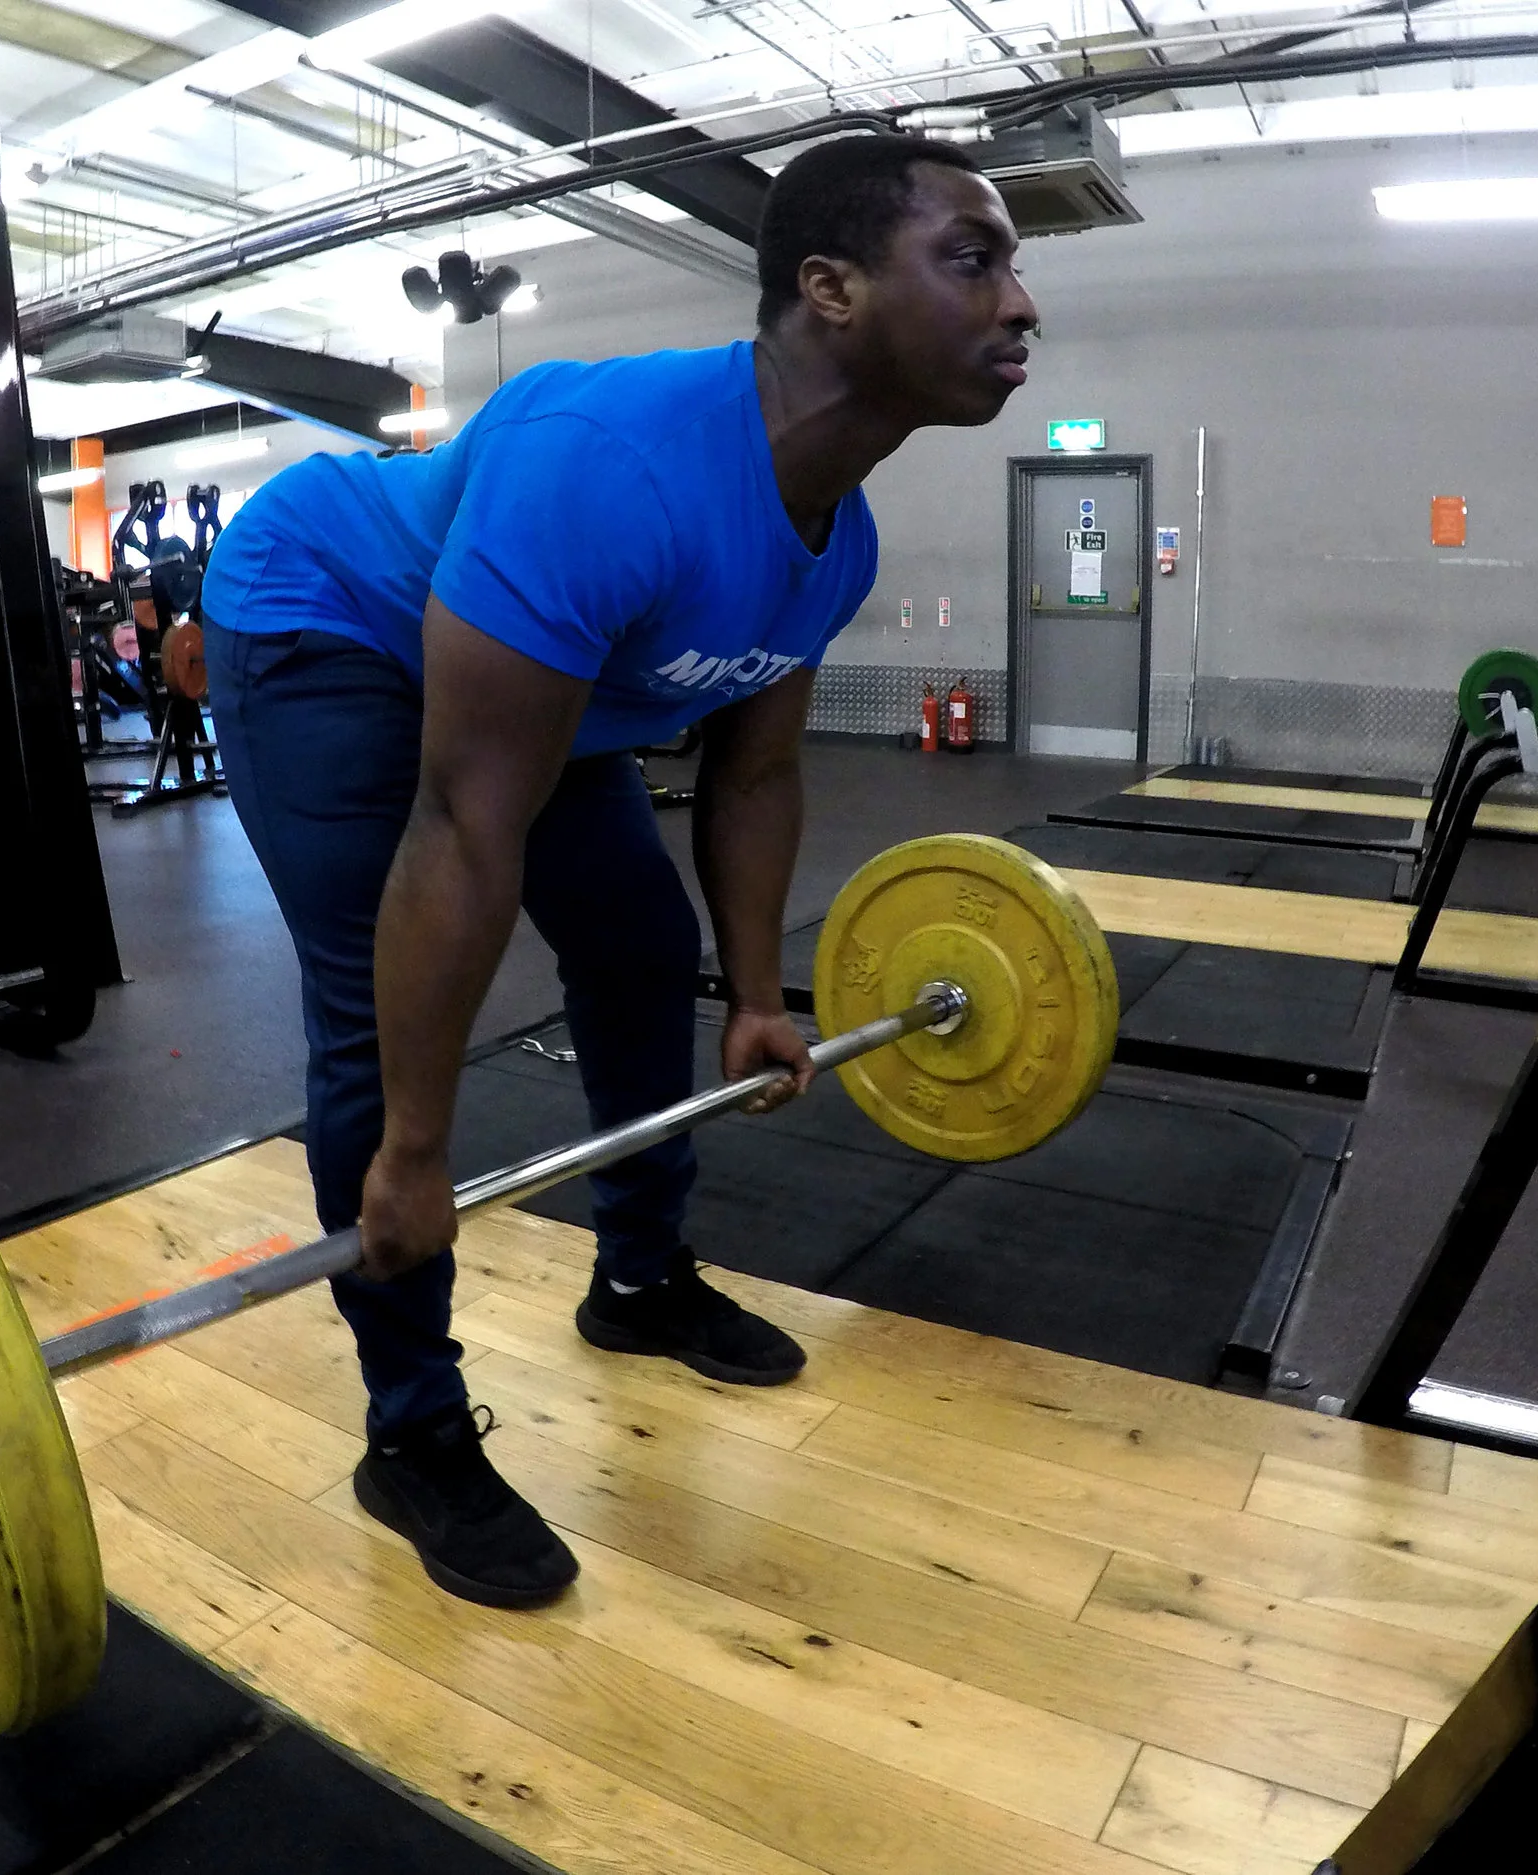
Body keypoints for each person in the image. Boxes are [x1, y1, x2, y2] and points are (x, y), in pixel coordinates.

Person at [199, 134, 1037, 1608]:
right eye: (973, 260)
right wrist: (415, 1154)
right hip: (329, 616)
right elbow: (465, 827)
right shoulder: (615, 465)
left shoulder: (836, 539)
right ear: (831, 288)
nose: (1021, 303)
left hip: (538, 666)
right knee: (379, 1030)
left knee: (642, 942)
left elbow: (755, 771)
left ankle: (639, 1278)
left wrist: (759, 996)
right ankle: (413, 1427)